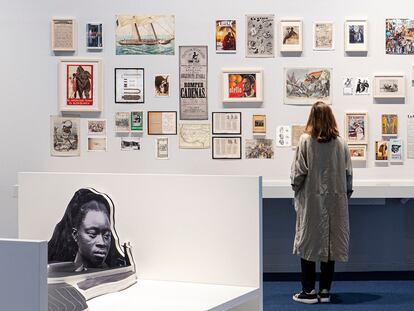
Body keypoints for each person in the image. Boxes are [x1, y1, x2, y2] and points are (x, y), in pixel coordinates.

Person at [290, 101, 353, 304]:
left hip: (312, 201)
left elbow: (299, 172)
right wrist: (345, 194)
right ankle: (325, 291)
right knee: (330, 245)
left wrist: (295, 187)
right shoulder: (341, 143)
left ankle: (308, 291)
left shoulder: (306, 141)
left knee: (308, 242)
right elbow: (348, 174)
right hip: (335, 201)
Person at [48, 188, 127, 271]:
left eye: (106, 236)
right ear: (75, 235)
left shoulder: (114, 273)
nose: (102, 243)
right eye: (92, 234)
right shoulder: (58, 272)